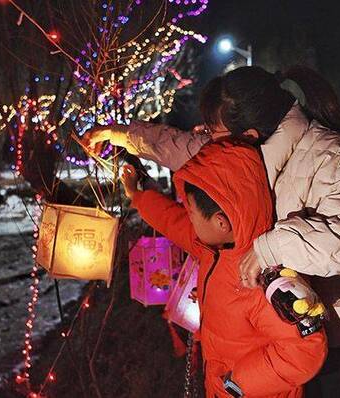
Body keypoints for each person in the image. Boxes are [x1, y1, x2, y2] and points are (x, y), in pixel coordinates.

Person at [85, 66, 340, 397]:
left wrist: (270, 248)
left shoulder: (329, 155)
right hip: (297, 324)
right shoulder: (239, 156)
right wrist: (121, 136)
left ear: (246, 134)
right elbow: (180, 148)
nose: (206, 138)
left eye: (213, 132)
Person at [120, 138, 327, 397]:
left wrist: (237, 384)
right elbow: (173, 221)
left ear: (221, 223)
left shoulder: (262, 277)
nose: (189, 218)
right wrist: (138, 198)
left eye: (192, 212)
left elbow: (305, 350)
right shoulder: (213, 249)